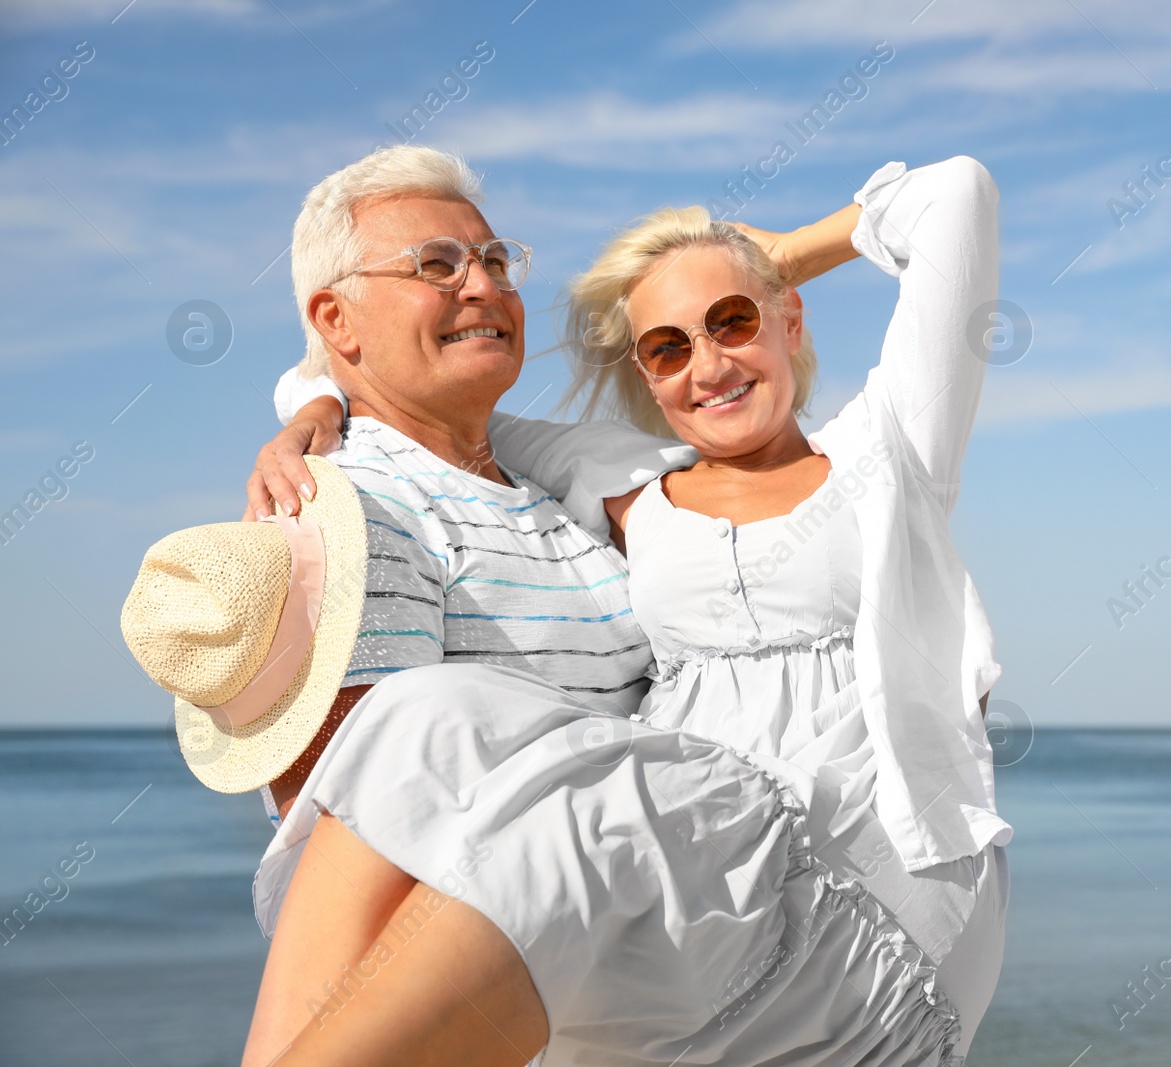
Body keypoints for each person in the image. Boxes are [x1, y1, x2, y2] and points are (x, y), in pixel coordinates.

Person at [248, 150, 1009, 1066]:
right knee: (414, 716)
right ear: (647, 376)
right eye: (669, 347)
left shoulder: (890, 454)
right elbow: (413, 392)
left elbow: (955, 195)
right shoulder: (632, 487)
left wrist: (777, 257)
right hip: (683, 876)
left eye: (733, 321)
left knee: (585, 811)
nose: (711, 364)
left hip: (866, 873)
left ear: (787, 322)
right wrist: (312, 407)